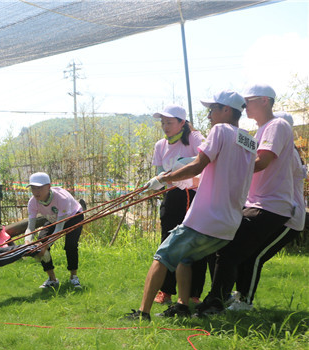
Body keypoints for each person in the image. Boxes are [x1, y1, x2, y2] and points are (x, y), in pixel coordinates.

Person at [124, 90, 256, 321]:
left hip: (206, 218)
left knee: (162, 256)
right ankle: (182, 306)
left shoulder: (220, 130)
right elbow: (220, 170)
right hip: (229, 223)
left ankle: (143, 314)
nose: (209, 116)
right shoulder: (249, 140)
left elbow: (197, 165)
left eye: (212, 110)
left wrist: (164, 178)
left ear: (226, 110)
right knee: (184, 258)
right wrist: (181, 178)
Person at [195, 84, 296, 316]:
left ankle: (217, 302)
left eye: (248, 101)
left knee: (229, 250)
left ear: (264, 101)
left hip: (269, 205)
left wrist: (227, 168)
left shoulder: (276, 125)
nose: (244, 105)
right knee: (222, 244)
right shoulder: (259, 131)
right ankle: (222, 298)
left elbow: (262, 162)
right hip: (254, 203)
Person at [229, 111, 306, 310]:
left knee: (256, 256)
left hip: (290, 219)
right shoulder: (284, 153)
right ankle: (239, 294)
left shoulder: (288, 157)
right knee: (246, 252)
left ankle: (245, 301)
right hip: (278, 212)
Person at [150, 105, 207, 305]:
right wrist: (157, 181)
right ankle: (166, 291)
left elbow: (206, 157)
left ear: (182, 123)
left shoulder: (194, 137)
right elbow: (160, 174)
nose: (165, 127)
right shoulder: (160, 145)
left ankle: (193, 294)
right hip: (172, 196)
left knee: (195, 243)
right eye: (163, 123)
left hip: (194, 195)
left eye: (169, 122)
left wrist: (183, 165)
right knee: (168, 242)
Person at [24, 172, 84, 289]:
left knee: (70, 245)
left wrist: (45, 247)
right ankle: (52, 279)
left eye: (39, 188)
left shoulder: (61, 198)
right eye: (33, 188)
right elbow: (30, 227)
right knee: (41, 242)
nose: (36, 192)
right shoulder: (32, 202)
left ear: (48, 186)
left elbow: (59, 229)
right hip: (54, 219)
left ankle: (73, 277)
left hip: (73, 216)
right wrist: (27, 242)